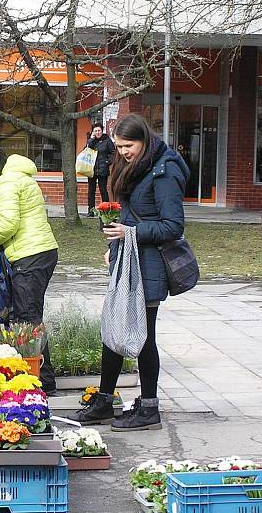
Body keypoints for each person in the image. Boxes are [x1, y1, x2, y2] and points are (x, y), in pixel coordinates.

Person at [74, 114, 187, 431]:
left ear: (144, 140)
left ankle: (149, 408)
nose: (123, 152)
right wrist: (116, 244)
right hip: (128, 257)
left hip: (149, 263)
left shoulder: (165, 170)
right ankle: (105, 400)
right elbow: (128, 209)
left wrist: (130, 234)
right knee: (113, 326)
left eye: (129, 145)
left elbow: (173, 225)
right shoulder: (137, 165)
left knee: (144, 334)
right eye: (120, 146)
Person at [0, 144, 60, 394]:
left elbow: (9, 223)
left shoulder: (7, 182)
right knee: (29, 317)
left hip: (29, 255)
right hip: (38, 252)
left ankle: (40, 381)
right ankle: (34, 374)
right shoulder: (19, 176)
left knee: (27, 319)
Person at [86, 122, 115, 216]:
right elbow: (86, 149)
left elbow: (113, 153)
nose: (97, 132)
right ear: (93, 132)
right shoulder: (91, 141)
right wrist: (91, 139)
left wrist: (108, 162)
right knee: (91, 191)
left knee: (103, 190)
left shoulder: (107, 140)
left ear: (102, 131)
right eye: (95, 131)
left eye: (99, 130)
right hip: (92, 169)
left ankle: (105, 211)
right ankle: (91, 211)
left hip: (103, 169)